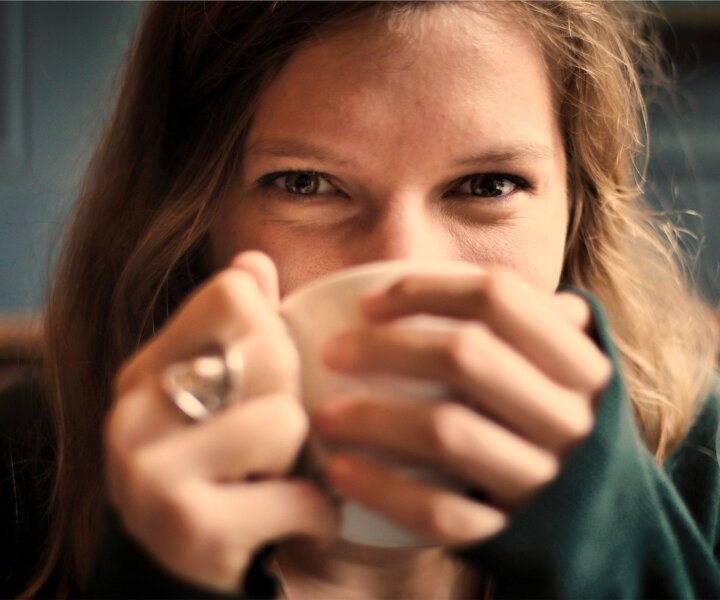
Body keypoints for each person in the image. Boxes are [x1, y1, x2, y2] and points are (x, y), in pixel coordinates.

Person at [1, 1, 718, 598]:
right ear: (192, 215)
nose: (401, 271)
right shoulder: (26, 468)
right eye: (305, 184)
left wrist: (612, 561)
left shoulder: (699, 469)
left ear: (577, 210)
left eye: (488, 185)